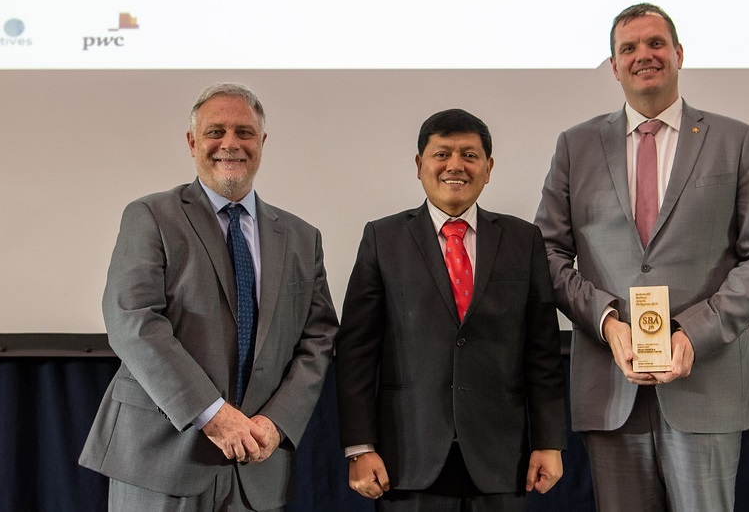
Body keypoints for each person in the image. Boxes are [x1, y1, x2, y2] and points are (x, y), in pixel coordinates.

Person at [535, 3, 749, 512]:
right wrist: (608, 323)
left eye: (655, 44)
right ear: (613, 66)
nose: (643, 56)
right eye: (628, 48)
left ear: (678, 53)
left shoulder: (734, 140)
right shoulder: (576, 145)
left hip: (706, 384)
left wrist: (693, 333)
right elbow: (546, 254)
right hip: (612, 387)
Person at [80, 82, 338, 512]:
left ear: (262, 142)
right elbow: (132, 322)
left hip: (258, 462)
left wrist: (277, 423)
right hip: (160, 461)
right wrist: (213, 414)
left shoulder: (300, 237)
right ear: (192, 141)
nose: (230, 144)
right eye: (215, 131)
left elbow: (319, 338)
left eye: (244, 132)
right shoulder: (150, 216)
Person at [336, 108, 567, 511]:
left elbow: (542, 352)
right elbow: (357, 353)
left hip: (501, 459)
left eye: (469, 155)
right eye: (442, 154)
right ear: (420, 165)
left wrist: (549, 441)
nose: (455, 166)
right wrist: (359, 447)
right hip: (407, 458)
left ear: (489, 167)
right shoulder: (382, 238)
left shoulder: (522, 240)